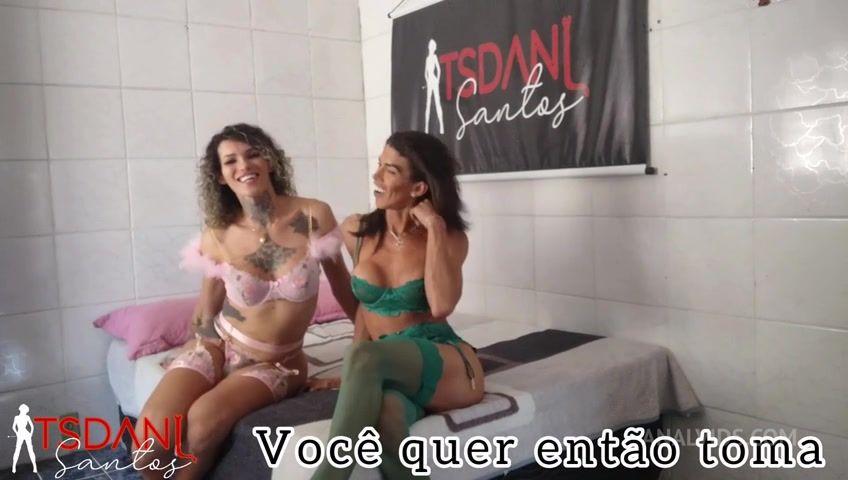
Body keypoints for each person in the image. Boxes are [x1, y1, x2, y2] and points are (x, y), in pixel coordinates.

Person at [134, 124, 356, 480]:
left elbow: (344, 288)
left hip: (277, 362)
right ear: (220, 177)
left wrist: (369, 350)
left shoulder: (314, 215)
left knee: (202, 422)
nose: (244, 165)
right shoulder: (218, 234)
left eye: (253, 154)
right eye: (230, 161)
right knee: (148, 444)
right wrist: (192, 355)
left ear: (270, 161)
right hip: (217, 346)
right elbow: (207, 310)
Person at [313, 131, 484, 479]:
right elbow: (366, 309)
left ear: (418, 187)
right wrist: (353, 373)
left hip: (446, 363)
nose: (375, 176)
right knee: (384, 418)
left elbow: (441, 305)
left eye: (389, 170)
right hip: (389, 366)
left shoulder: (450, 237)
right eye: (379, 164)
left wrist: (434, 226)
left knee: (365, 357)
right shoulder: (357, 231)